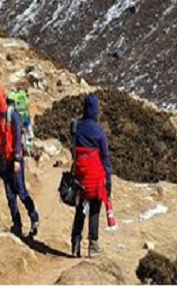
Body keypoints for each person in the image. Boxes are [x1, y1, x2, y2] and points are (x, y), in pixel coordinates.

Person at [0, 84, 40, 238]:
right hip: (3, 160)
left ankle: (34, 218)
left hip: (14, 160)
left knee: (21, 191)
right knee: (10, 195)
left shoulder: (12, 114)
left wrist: (17, 158)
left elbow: (17, 137)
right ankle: (17, 225)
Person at [70, 95, 113, 258]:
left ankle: (75, 241)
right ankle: (93, 245)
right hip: (95, 177)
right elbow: (105, 158)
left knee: (80, 208)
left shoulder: (76, 127)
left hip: (80, 174)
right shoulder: (99, 132)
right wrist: (108, 181)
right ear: (95, 110)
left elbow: (73, 147)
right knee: (94, 209)